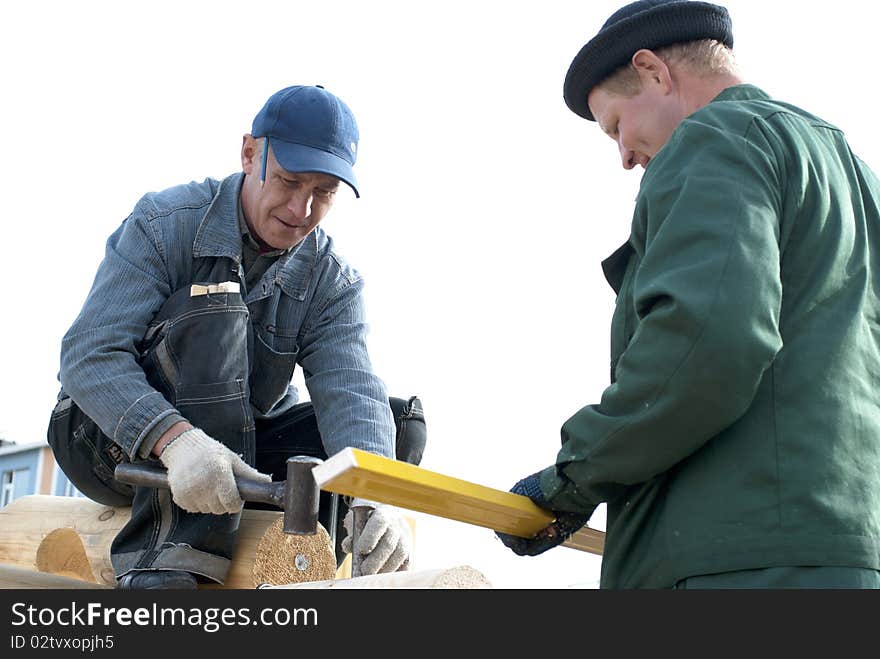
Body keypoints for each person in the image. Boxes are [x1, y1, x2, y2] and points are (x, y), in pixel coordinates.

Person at [497, 0, 880, 588]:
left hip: (732, 566)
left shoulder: (714, 139)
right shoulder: (854, 175)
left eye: (617, 125)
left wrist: (571, 480)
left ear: (653, 71)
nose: (624, 156)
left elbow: (707, 342)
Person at [48, 84, 427, 589]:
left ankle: (304, 575)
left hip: (235, 450)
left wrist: (376, 492)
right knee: (218, 308)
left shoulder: (330, 280)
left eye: (324, 194)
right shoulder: (164, 224)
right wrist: (174, 440)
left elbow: (350, 387)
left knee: (392, 427)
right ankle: (169, 567)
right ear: (250, 153)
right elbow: (88, 356)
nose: (302, 209)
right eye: (290, 182)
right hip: (105, 441)